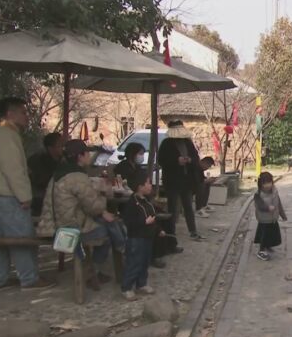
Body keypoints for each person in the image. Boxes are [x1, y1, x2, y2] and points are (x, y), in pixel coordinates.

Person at [0, 97, 54, 291]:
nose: (27, 116)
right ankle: (29, 278)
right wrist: (24, 196)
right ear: (10, 114)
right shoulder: (7, 136)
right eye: (23, 112)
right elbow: (13, 170)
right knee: (21, 236)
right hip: (8, 193)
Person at [37, 139, 125, 290]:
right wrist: (103, 193)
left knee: (108, 222)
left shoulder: (58, 174)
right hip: (69, 231)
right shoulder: (77, 177)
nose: (89, 156)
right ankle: (95, 269)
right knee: (109, 230)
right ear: (80, 156)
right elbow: (94, 206)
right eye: (87, 153)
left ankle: (118, 249)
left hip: (51, 227)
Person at [120, 170, 164, 301]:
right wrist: (143, 222)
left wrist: (158, 230)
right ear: (140, 186)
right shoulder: (132, 203)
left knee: (145, 262)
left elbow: (153, 218)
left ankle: (141, 284)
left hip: (148, 237)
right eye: (148, 183)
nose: (150, 185)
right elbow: (129, 222)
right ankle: (126, 287)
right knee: (134, 262)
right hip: (136, 238)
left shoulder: (147, 201)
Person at [158, 120, 204, 241]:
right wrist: (176, 161)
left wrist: (189, 160)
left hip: (187, 180)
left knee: (188, 206)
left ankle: (193, 231)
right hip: (172, 180)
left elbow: (196, 158)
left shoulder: (188, 143)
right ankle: (171, 232)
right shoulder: (166, 144)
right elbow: (161, 160)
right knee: (173, 207)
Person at [28, 132, 64, 217]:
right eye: (60, 145)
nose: (63, 148)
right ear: (50, 148)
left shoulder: (63, 160)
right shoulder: (38, 161)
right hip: (40, 198)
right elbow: (41, 181)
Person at [253, 172, 287, 261]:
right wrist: (267, 208)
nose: (267, 185)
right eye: (265, 183)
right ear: (261, 184)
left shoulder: (275, 192)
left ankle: (268, 245)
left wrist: (283, 215)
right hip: (264, 219)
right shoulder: (258, 194)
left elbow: (279, 204)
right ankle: (261, 251)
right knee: (264, 235)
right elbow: (259, 205)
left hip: (273, 218)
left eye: (269, 182)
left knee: (272, 233)